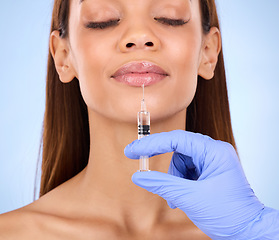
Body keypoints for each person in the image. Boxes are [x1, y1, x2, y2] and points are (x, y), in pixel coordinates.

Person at [0, 0, 278, 239]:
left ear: (208, 52)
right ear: (63, 57)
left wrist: (255, 229)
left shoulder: (241, 228)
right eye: (103, 20)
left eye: (169, 17)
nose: (140, 36)